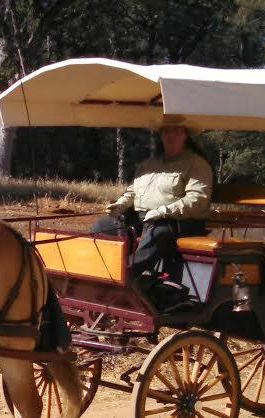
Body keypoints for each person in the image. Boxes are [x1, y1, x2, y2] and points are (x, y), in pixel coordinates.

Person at [91, 115, 213, 289]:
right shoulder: (148, 164)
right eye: (167, 131)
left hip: (178, 222)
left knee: (156, 233)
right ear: (161, 135)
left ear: (185, 135)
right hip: (143, 219)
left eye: (176, 131)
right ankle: (98, 271)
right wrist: (120, 204)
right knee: (101, 227)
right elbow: (133, 191)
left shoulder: (196, 164)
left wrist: (162, 211)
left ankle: (121, 279)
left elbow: (197, 200)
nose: (171, 135)